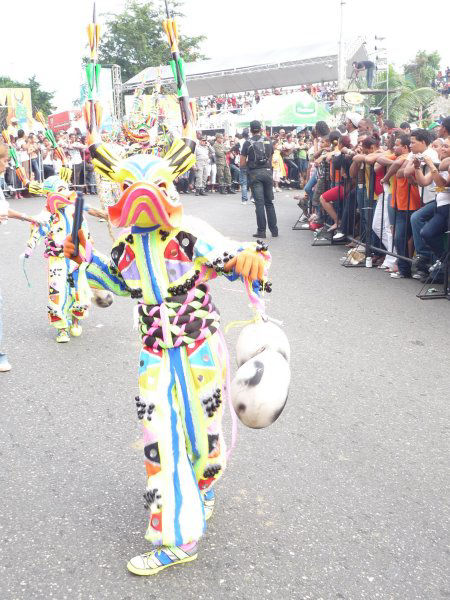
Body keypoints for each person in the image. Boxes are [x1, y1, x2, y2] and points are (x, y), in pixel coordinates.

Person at [241, 120, 278, 238]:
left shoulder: (247, 143)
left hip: (255, 174)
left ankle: (261, 231)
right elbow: (271, 159)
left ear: (251, 130)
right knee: (269, 203)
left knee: (259, 204)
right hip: (267, 173)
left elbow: (242, 163)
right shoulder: (268, 141)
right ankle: (274, 230)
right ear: (261, 129)